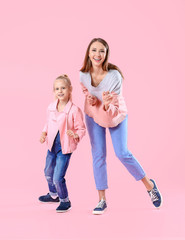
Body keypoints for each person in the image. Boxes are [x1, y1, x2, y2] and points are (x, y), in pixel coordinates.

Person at [80, 38, 162, 215]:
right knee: (98, 154)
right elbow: (85, 90)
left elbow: (114, 108)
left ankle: (149, 185)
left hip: (114, 115)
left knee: (122, 152)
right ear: (88, 52)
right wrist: (91, 99)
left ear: (106, 54)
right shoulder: (83, 75)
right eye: (94, 50)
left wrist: (108, 105)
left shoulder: (114, 76)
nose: (97, 54)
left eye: (102, 51)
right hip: (94, 115)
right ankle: (102, 200)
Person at [39, 74, 86, 213]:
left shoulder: (74, 110)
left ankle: (65, 200)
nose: (60, 91)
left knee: (57, 177)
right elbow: (48, 123)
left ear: (70, 89)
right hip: (51, 146)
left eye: (63, 88)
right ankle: (53, 195)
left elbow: (81, 128)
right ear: (54, 91)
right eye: (57, 88)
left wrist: (75, 134)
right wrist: (43, 133)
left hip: (64, 148)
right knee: (47, 172)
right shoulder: (51, 107)